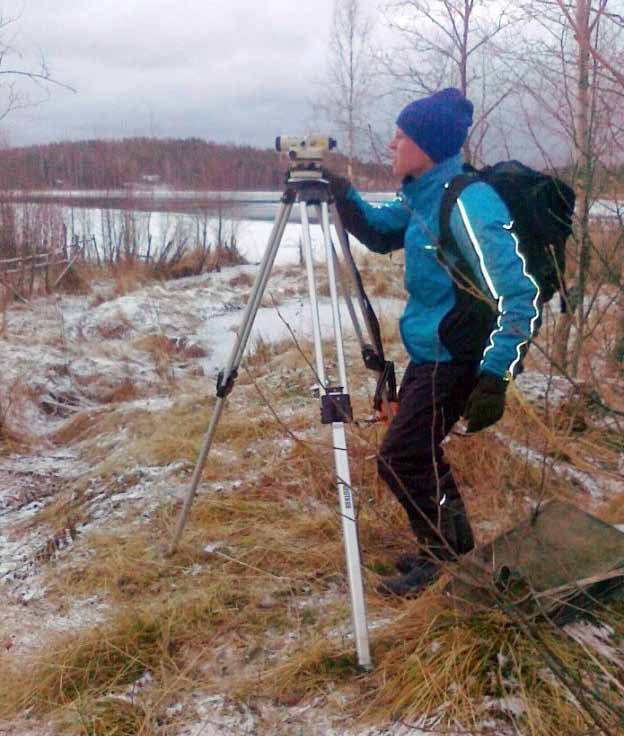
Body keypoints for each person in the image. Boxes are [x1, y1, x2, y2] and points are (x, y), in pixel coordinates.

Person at [324, 88, 541, 597]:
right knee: (418, 452)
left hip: (462, 358)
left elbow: (519, 294)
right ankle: (451, 547)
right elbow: (379, 232)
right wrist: (340, 192)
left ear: (428, 145)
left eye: (403, 136)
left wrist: (496, 375)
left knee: (401, 456)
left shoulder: (467, 202)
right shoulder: (422, 196)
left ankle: (445, 560)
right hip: (431, 354)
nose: (393, 143)